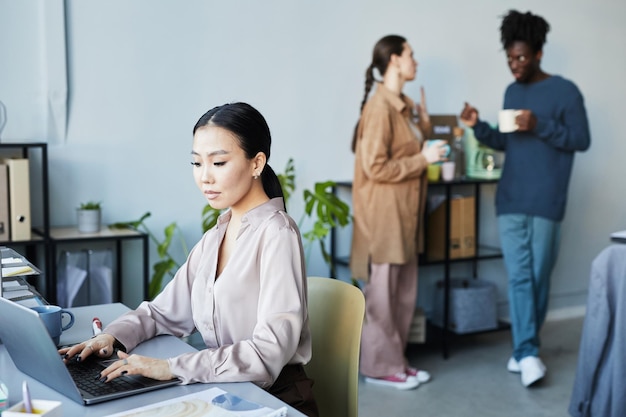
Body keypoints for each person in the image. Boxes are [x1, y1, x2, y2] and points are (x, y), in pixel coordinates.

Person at [60, 102, 319, 416]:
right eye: (197, 163)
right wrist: (111, 336)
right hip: (227, 389)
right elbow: (162, 313)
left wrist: (171, 367)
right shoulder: (216, 235)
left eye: (219, 162)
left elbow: (266, 354)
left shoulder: (278, 234)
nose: (205, 177)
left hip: (275, 400)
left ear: (256, 163)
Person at [459, 10, 591, 387]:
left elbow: (581, 140)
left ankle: (523, 350)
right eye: (509, 59)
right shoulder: (511, 92)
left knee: (537, 278)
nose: (514, 65)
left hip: (547, 200)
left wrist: (541, 125)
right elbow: (505, 141)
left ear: (538, 54)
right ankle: (529, 352)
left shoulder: (565, 91)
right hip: (511, 199)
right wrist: (477, 125)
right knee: (518, 277)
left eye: (521, 58)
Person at [350, 34, 447, 390]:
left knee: (402, 293)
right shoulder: (379, 108)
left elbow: (402, 149)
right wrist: (423, 159)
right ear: (393, 59)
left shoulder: (401, 105)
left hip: (404, 216)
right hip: (384, 219)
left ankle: (397, 362)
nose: (415, 61)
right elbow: (375, 167)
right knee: (382, 296)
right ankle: (380, 367)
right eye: (410, 55)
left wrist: (422, 124)